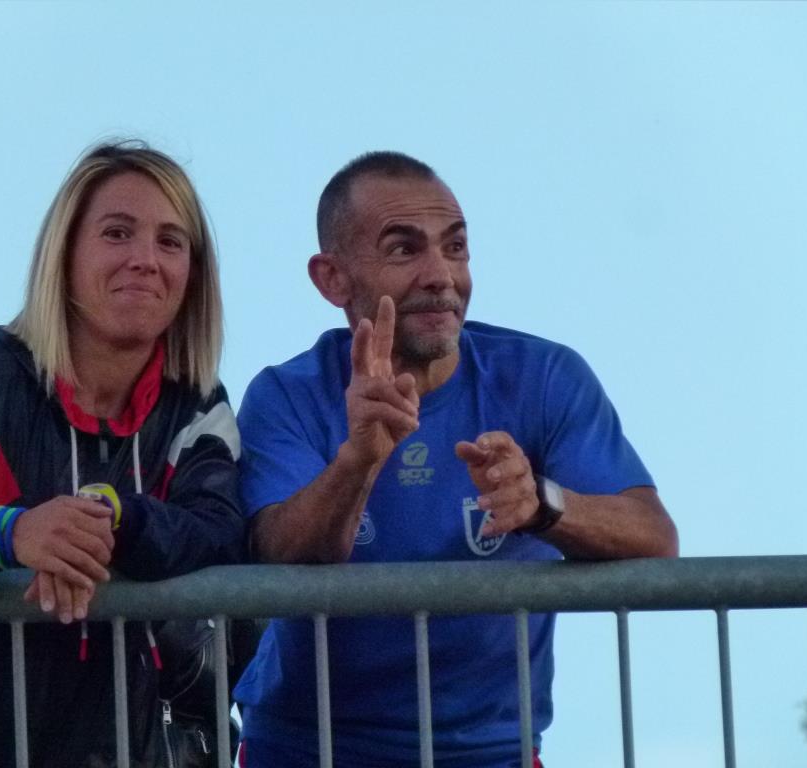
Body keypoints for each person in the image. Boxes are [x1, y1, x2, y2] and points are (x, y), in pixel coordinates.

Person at [232, 151, 679, 767]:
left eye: (456, 247)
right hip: (306, 750)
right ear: (332, 278)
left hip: (493, 754)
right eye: (403, 249)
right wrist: (358, 461)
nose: (441, 275)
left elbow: (654, 536)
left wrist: (544, 504)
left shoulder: (545, 377)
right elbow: (278, 553)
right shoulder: (287, 393)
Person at [0, 141, 245, 768]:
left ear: (193, 272)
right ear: (65, 253)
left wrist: (111, 520)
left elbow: (222, 532)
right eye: (117, 233)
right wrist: (11, 536)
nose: (145, 259)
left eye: (171, 242)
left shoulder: (199, 404)